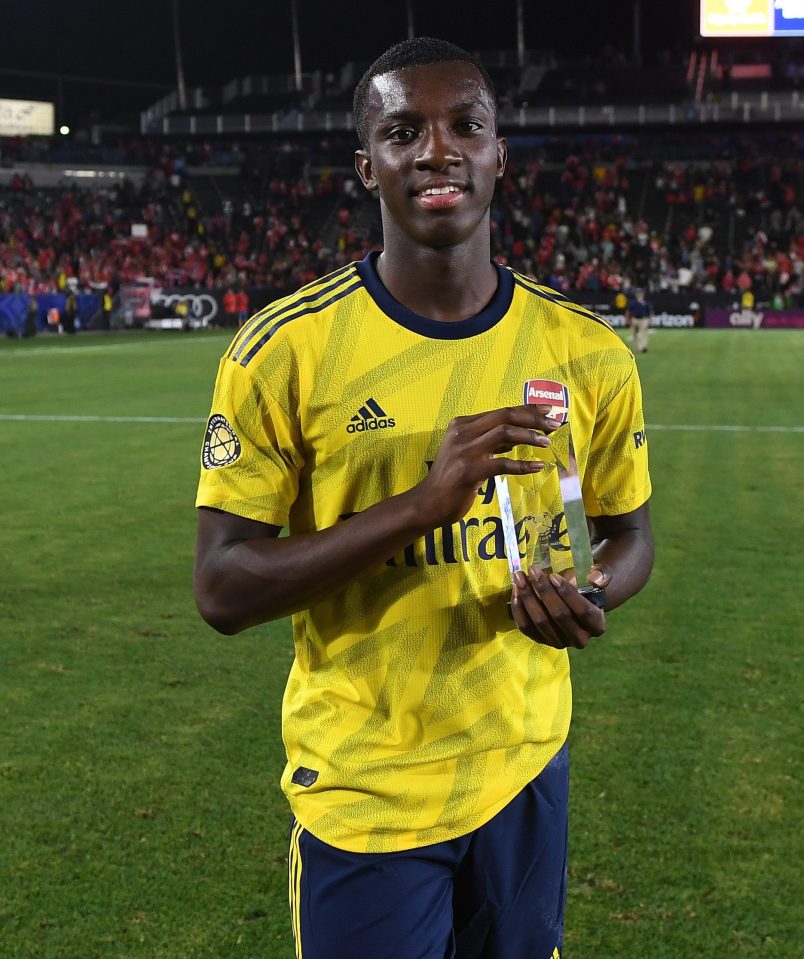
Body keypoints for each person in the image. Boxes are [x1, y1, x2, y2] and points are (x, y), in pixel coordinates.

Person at [194, 37, 653, 959]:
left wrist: (591, 592)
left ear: (498, 154)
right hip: (370, 784)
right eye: (404, 131)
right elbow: (223, 588)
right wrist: (418, 504)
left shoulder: (588, 349)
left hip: (524, 766)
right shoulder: (282, 350)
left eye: (465, 126)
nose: (437, 150)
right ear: (368, 165)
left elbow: (629, 535)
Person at [625, 286, 653, 354]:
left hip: (644, 319)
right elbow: (628, 311)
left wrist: (650, 320)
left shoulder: (646, 302)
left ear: (643, 294)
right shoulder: (632, 302)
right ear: (636, 294)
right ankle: (637, 347)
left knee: (643, 333)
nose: (639, 294)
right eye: (638, 293)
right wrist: (627, 319)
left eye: (640, 293)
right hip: (634, 319)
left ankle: (643, 347)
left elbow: (650, 311)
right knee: (634, 334)